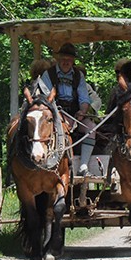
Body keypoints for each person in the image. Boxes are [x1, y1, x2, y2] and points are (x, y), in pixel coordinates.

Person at [40, 43, 97, 176]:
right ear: (58, 59)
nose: (66, 62)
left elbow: (84, 99)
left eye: (69, 59)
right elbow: (46, 99)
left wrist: (82, 111)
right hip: (54, 113)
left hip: (75, 114)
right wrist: (58, 115)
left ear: (73, 61)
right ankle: (58, 162)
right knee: (61, 128)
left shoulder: (78, 76)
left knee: (91, 128)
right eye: (64, 59)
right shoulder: (48, 74)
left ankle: (83, 166)